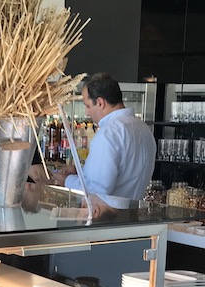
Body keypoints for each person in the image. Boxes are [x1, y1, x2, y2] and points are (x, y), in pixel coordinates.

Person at [49, 73, 156, 218]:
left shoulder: (109, 133)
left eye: (87, 106)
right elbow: (122, 171)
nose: (86, 112)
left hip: (107, 219)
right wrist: (78, 171)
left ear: (100, 103)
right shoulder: (144, 129)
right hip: (132, 216)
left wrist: (66, 180)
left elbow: (96, 190)